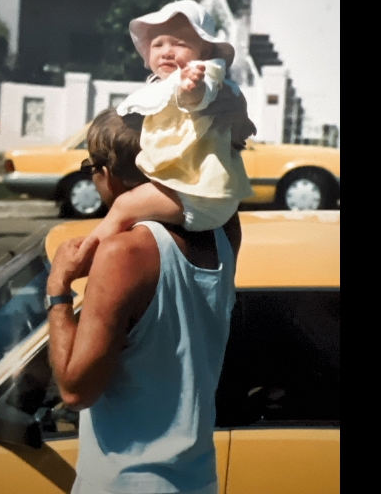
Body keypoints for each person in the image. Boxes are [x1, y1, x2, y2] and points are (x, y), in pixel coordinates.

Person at [47, 107, 243, 494]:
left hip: (126, 482)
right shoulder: (224, 232)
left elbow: (75, 391)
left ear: (108, 173)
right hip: (197, 480)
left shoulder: (123, 255)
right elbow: (207, 195)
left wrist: (58, 289)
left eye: (91, 167)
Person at [87, 0, 255, 242]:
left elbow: (201, 96)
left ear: (205, 52)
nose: (167, 51)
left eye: (179, 43)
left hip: (197, 192)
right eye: (158, 44)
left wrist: (190, 88)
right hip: (193, 189)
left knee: (123, 207)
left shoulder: (203, 74)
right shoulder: (159, 87)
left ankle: (80, 257)